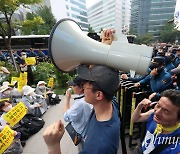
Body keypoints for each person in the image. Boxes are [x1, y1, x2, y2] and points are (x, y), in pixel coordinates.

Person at [43, 65, 120, 154]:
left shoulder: (97, 147)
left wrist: (53, 146)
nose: (82, 86)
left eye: (86, 84)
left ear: (98, 95)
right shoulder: (110, 102)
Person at [132, 89, 180, 154]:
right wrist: (139, 106)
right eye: (158, 105)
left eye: (166, 111)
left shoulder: (176, 146)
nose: (157, 112)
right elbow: (136, 119)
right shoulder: (153, 115)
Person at [63, 76, 93, 150]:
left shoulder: (80, 104)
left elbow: (66, 117)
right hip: (90, 133)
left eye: (74, 85)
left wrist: (67, 100)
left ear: (81, 87)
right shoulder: (88, 97)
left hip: (83, 137)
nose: (72, 87)